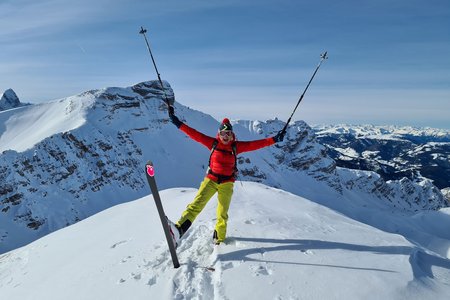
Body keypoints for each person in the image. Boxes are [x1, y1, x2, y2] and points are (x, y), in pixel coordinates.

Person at [168, 106, 286, 245]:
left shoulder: (236, 146)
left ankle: (219, 240)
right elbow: (194, 134)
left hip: (227, 183)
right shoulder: (213, 143)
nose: (226, 136)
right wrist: (177, 123)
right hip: (211, 179)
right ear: (219, 133)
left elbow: (256, 144)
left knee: (222, 214)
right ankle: (179, 230)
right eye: (223, 133)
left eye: (228, 133)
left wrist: (274, 139)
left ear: (232, 134)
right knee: (196, 205)